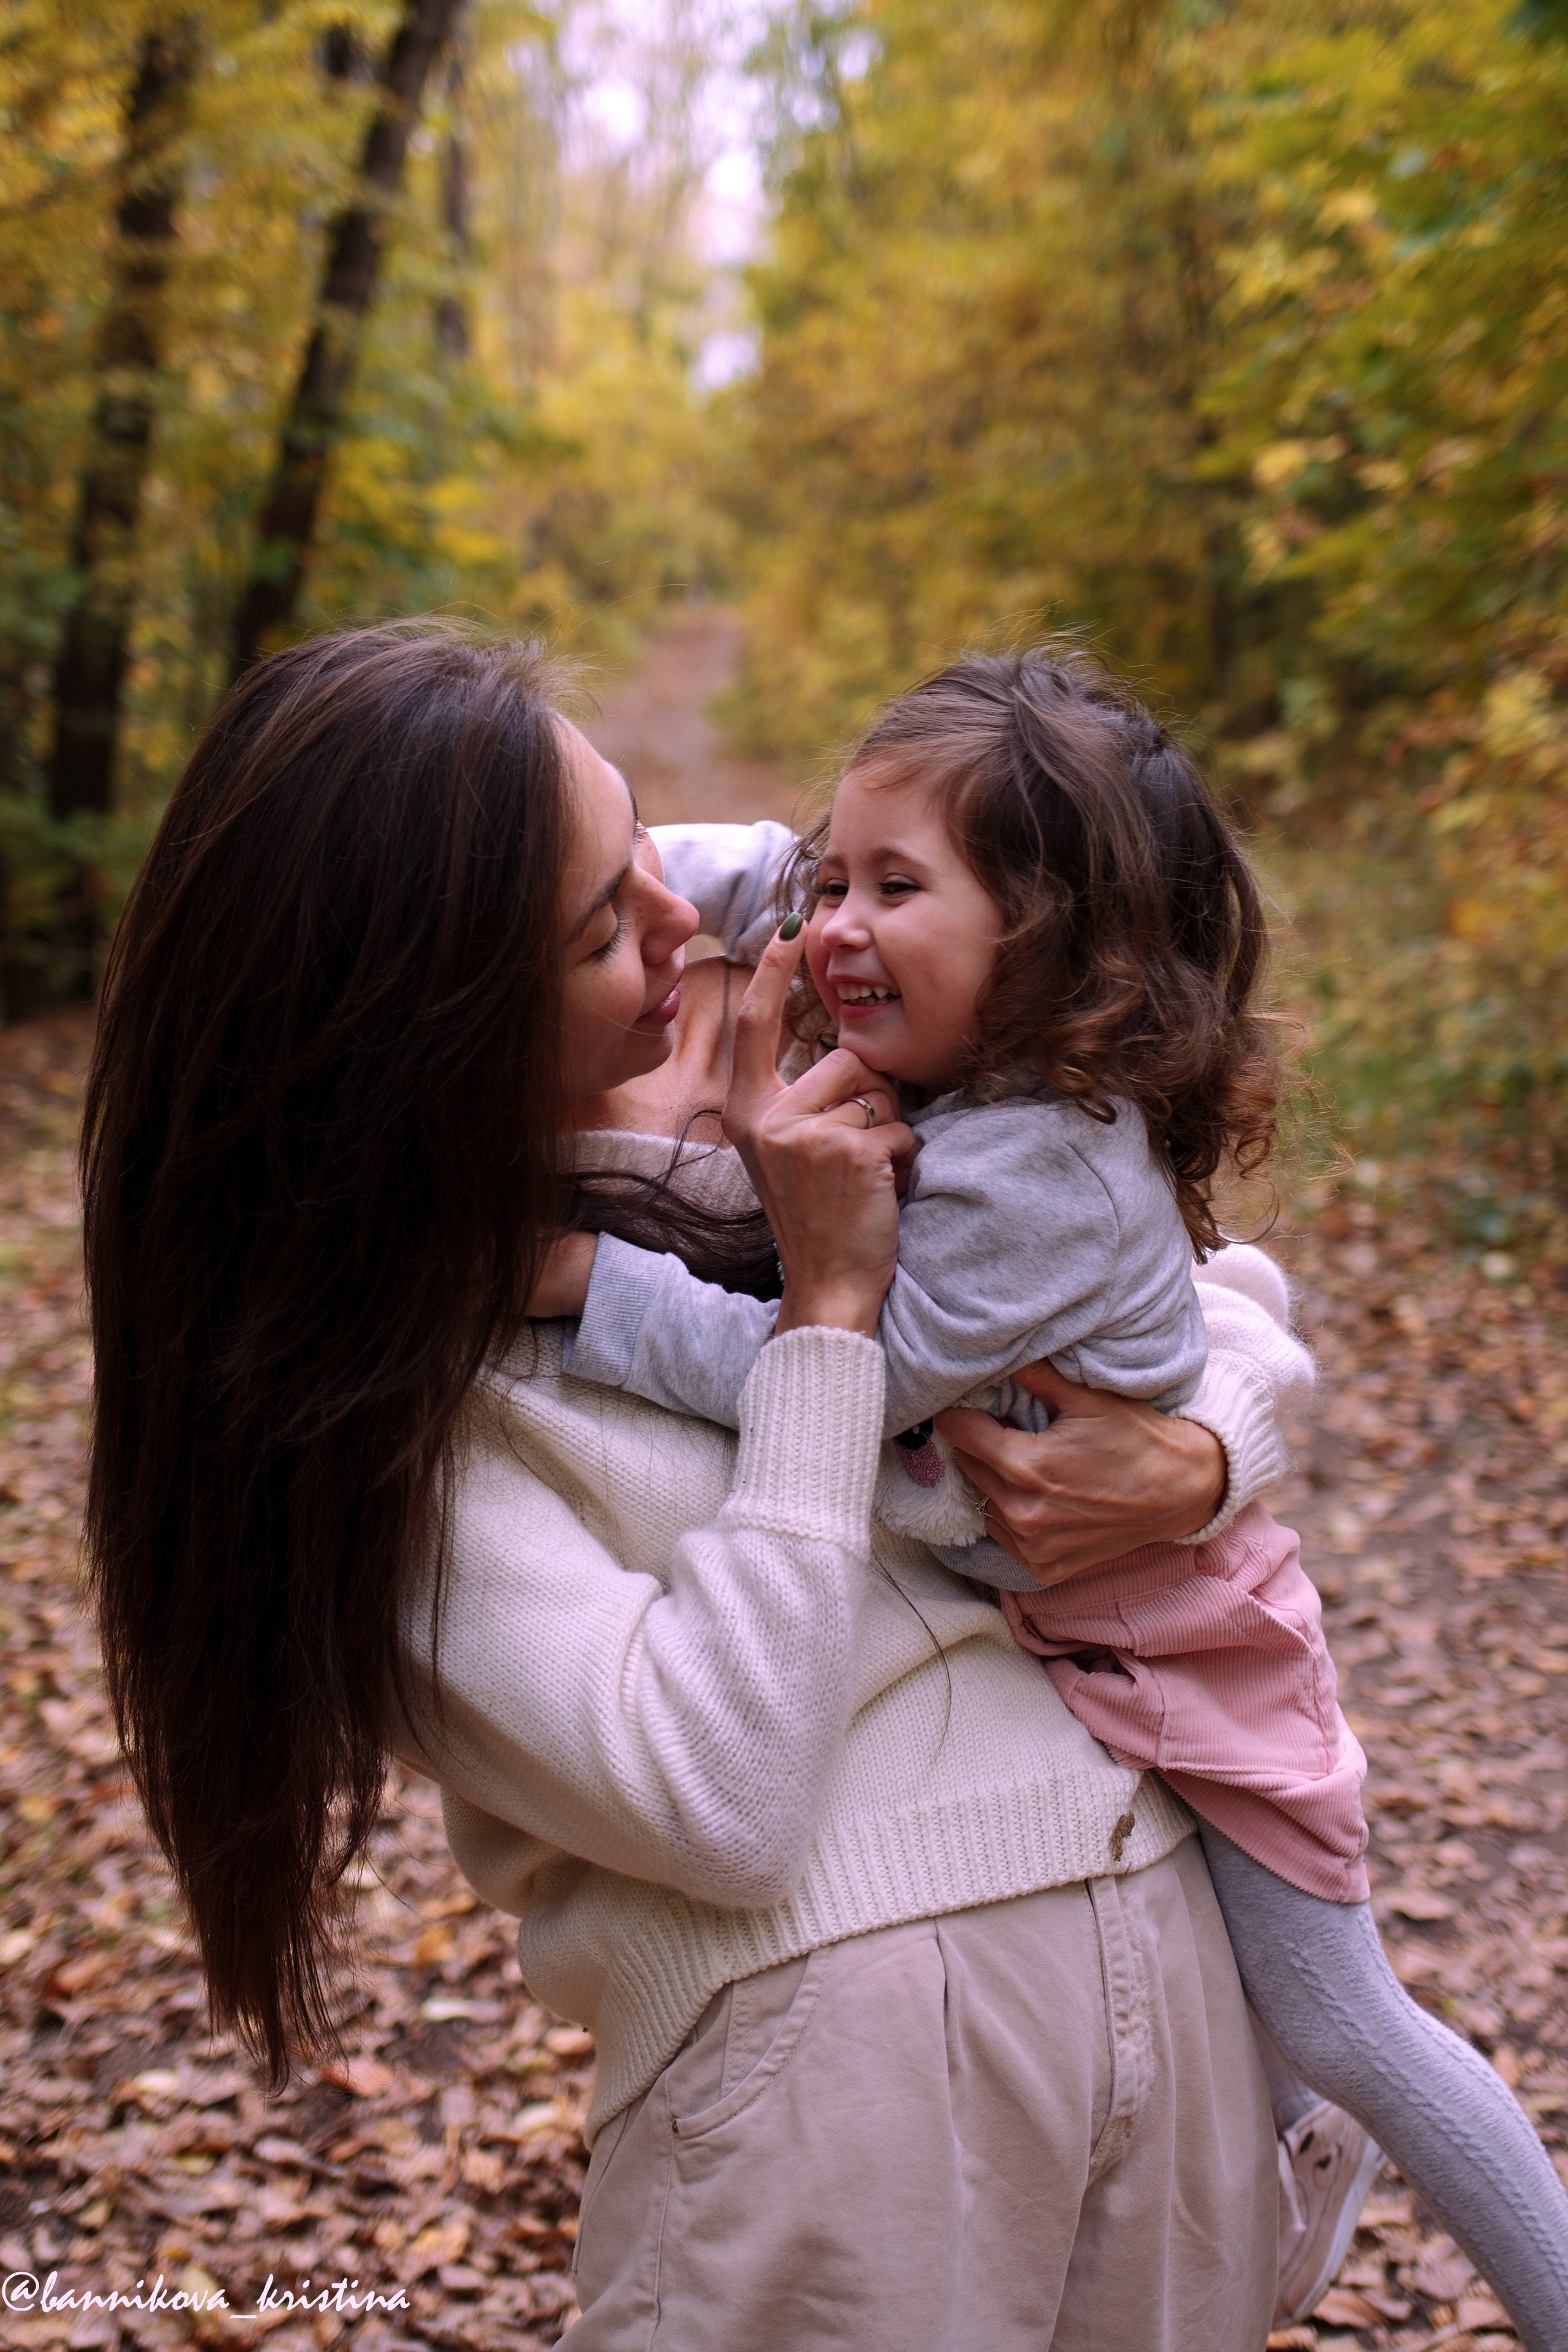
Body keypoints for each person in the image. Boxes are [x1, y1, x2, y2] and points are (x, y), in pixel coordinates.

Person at [85, 623, 1321, 2351]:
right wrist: (826, 1325)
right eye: (606, 922)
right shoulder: (374, 1415)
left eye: (649, 848)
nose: (696, 919)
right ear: (427, 1019)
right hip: (846, 2085)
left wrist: (1198, 1462)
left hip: (1160, 1949)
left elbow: (1178, 1280)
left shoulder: (716, 1029)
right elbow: (716, 1794)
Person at [537, 649, 1568, 2348]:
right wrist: (579, 861)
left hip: (1192, 1654)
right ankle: (1287, 2135)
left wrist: (590, 1286)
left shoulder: (1037, 1172)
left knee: (1342, 2019)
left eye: (894, 889)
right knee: (1262, 1987)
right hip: (1091, 1631)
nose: (830, 926)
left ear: (1050, 940)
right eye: (836, 880)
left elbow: (834, 1373)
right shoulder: (964, 1058)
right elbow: (740, 876)